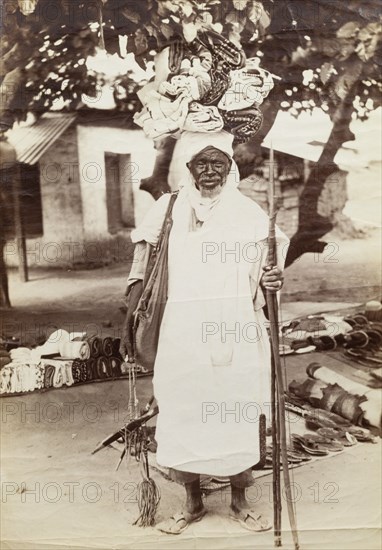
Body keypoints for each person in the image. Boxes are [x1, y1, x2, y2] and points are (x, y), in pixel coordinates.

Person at [120, 131, 288, 534]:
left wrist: (274, 278)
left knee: (236, 408)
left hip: (234, 327)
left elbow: (268, 269)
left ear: (230, 168)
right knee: (184, 407)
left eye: (218, 163)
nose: (210, 171)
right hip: (182, 329)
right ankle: (191, 503)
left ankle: (239, 502)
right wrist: (131, 317)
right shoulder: (167, 208)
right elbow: (141, 265)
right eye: (201, 163)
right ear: (189, 168)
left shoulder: (250, 214)